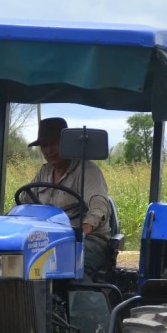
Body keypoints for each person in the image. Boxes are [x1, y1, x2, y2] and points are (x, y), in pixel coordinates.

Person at [22, 117, 112, 273]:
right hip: (49, 240)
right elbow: (24, 201)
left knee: (65, 267)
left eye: (54, 143)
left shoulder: (86, 171)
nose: (49, 150)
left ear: (66, 143)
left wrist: (85, 227)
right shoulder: (44, 172)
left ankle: (82, 295)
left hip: (85, 240)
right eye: (45, 145)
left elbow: (99, 203)